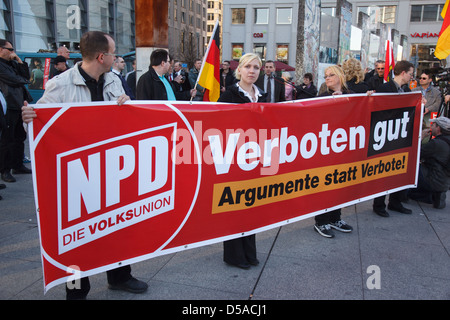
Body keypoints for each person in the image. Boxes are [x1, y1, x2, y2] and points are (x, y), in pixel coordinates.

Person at [21, 31, 148, 300]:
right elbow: (40, 122)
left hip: (113, 167)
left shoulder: (114, 79)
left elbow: (125, 121)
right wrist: (29, 116)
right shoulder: (61, 84)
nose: (116, 57)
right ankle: (77, 289)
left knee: (118, 225)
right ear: (102, 57)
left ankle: (120, 276)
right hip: (78, 173)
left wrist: (128, 106)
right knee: (77, 235)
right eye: (113, 53)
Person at [218, 53, 266, 268]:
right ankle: (234, 255)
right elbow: (216, 123)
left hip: (255, 157)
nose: (252, 71)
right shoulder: (229, 94)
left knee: (251, 205)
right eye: (248, 66)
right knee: (234, 206)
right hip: (234, 158)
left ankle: (249, 251)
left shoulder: (262, 96)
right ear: (240, 70)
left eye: (256, 67)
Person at [313, 65, 354, 238]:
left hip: (345, 147)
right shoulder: (322, 96)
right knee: (325, 185)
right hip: (326, 148)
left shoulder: (353, 95)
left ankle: (335, 218)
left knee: (339, 184)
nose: (327, 78)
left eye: (331, 75)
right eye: (325, 76)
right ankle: (321, 221)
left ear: (339, 76)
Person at [372, 60, 415, 217]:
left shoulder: (406, 90)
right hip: (386, 135)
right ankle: (379, 204)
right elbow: (379, 111)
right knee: (384, 171)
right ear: (403, 73)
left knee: (399, 169)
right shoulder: (385, 88)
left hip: (400, 135)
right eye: (410, 74)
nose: (412, 77)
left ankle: (395, 202)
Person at [0, 39, 33, 184]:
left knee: (20, 137)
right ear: (1, 50)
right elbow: (15, 80)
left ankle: (17, 165)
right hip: (9, 104)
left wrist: (20, 61)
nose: (12, 52)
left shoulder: (12, 63)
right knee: (8, 139)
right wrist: (22, 78)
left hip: (19, 103)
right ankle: (5, 170)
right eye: (10, 49)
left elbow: (25, 76)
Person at [408, 116, 450, 209]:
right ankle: (437, 194)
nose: (431, 127)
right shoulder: (446, 140)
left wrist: (421, 136)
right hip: (445, 180)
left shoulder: (437, 143)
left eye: (433, 125)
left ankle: (405, 195)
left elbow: (415, 153)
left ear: (438, 128)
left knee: (410, 166)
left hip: (434, 179)